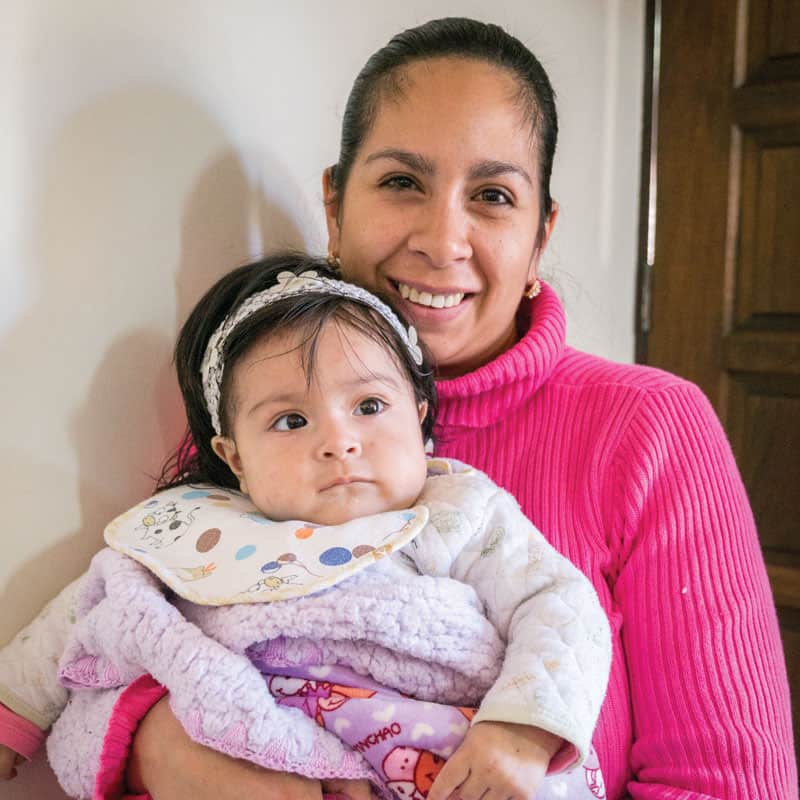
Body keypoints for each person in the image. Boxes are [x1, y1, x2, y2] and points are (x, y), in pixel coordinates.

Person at [0, 15, 796, 800]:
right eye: (403, 182)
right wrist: (166, 747)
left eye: (491, 195)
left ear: (539, 239)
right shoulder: (262, 409)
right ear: (336, 207)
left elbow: (731, 783)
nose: (443, 240)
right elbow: (120, 629)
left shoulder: (649, 429)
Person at [0, 253, 611, 800]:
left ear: (419, 419)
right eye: (291, 421)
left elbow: (556, 601)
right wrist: (11, 715)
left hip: (450, 765)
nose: (339, 442)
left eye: (369, 407)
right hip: (262, 757)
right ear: (235, 457)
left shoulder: (458, 512)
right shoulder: (199, 531)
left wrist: (523, 728)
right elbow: (94, 609)